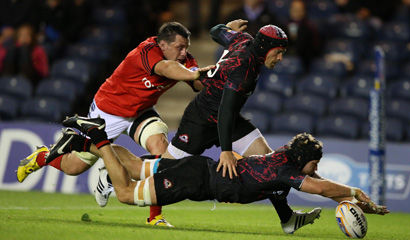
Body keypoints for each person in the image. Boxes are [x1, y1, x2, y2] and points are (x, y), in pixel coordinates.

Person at [16, 21, 213, 227]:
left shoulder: (185, 60)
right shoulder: (147, 51)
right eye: (179, 47)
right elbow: (166, 68)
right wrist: (195, 73)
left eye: (186, 48)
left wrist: (212, 74)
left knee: (161, 149)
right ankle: (43, 156)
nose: (184, 52)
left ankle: (155, 216)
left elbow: (197, 84)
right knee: (73, 167)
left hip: (140, 112)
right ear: (163, 44)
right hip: (108, 111)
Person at [56, 115, 390, 234]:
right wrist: (358, 196)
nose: (314, 169)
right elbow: (322, 188)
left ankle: (91, 138)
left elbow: (297, 189)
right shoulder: (286, 172)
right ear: (302, 160)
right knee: (127, 192)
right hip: (196, 180)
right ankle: (99, 140)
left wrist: (292, 219)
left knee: (136, 166)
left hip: (199, 167)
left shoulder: (278, 164)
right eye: (313, 163)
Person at [160, 19, 323, 233]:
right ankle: (113, 176)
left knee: (272, 162)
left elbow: (215, 30)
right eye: (278, 52)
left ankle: (288, 219)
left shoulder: (242, 39)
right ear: (265, 49)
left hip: (230, 120)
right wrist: (226, 151)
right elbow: (224, 111)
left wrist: (228, 27)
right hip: (201, 120)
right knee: (165, 168)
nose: (281, 58)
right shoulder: (243, 70)